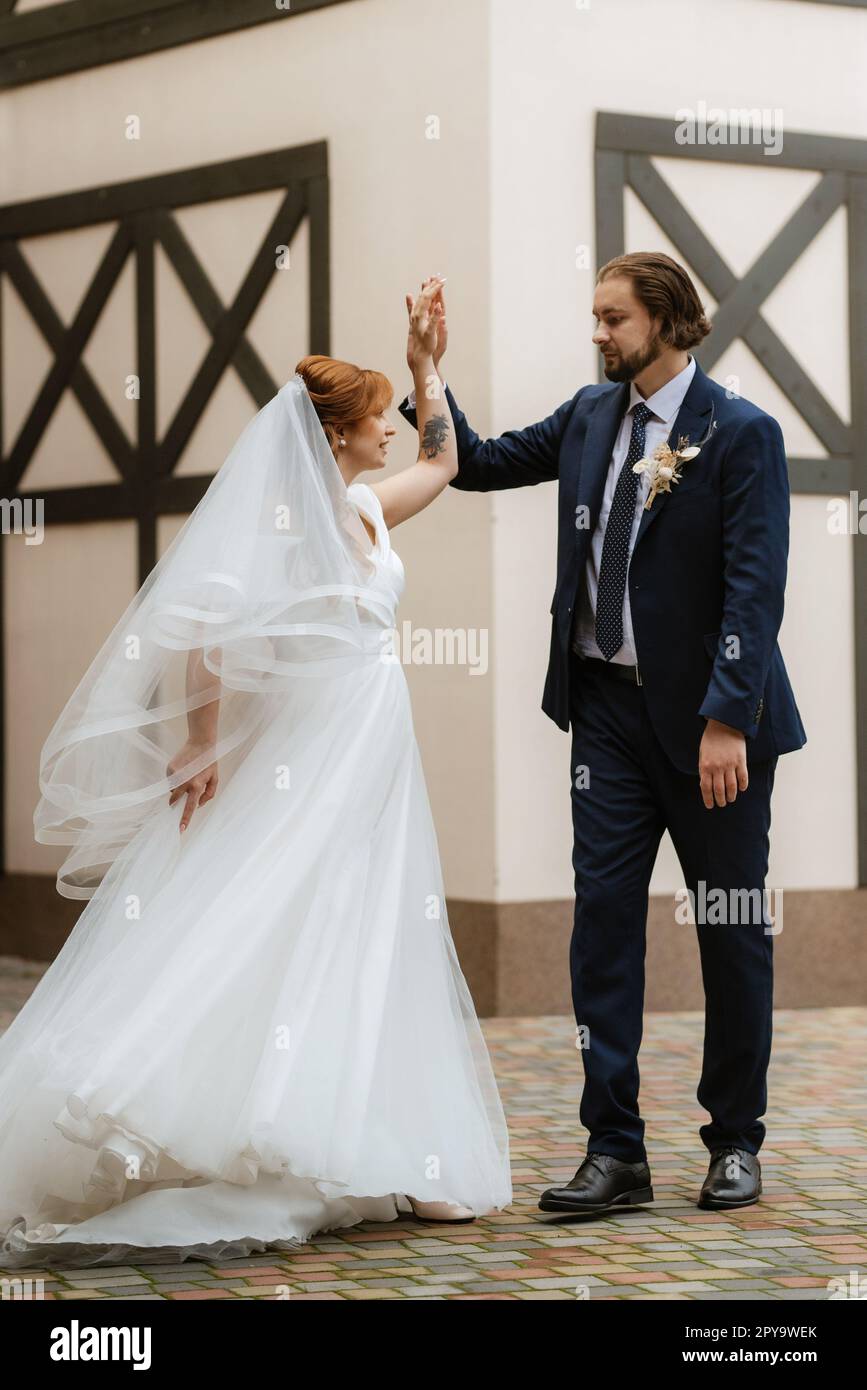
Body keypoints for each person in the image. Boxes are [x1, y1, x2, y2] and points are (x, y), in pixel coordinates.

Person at [0, 278, 511, 1270]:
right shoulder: (276, 532)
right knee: (281, 916)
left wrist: (423, 368)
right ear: (337, 433)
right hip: (306, 756)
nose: (389, 434)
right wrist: (202, 743)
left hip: (375, 752)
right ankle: (234, 1122)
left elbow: (447, 459)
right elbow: (202, 637)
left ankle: (387, 1149)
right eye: (376, 420)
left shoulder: (365, 511)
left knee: (375, 922)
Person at [400, 255, 806, 1215]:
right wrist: (426, 373)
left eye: (612, 319)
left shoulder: (740, 434)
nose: (597, 334)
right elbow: (478, 464)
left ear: (664, 321)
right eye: (595, 318)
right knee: (602, 931)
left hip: (716, 726)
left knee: (730, 930)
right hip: (607, 719)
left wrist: (723, 719)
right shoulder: (589, 416)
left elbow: (756, 586)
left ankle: (734, 1141)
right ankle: (613, 1149)